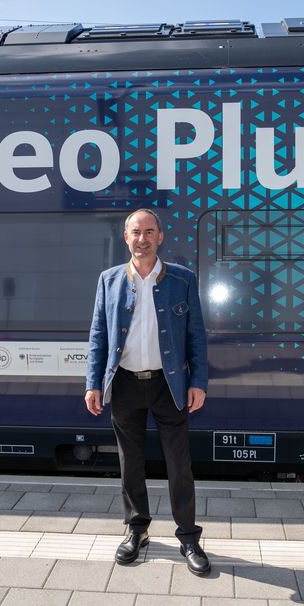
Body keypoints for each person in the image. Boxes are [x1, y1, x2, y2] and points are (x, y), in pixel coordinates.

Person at [85, 208, 210, 576]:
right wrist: (93, 382)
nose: (142, 238)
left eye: (149, 231)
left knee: (179, 465)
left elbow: (196, 336)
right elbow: (98, 336)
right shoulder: (109, 280)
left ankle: (188, 537)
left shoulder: (182, 279)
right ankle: (136, 530)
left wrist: (198, 382)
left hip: (168, 384)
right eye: (135, 232)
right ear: (126, 237)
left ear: (160, 236)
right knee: (130, 463)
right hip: (123, 383)